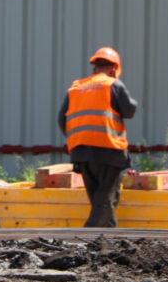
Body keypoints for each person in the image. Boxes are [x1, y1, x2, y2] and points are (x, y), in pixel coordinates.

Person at [58, 47, 139, 228]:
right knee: (107, 196)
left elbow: (61, 118)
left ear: (94, 67)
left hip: (81, 151)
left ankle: (105, 244)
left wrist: (75, 139)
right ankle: (88, 237)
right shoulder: (113, 85)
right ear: (114, 69)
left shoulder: (75, 88)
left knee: (99, 199)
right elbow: (129, 110)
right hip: (109, 150)